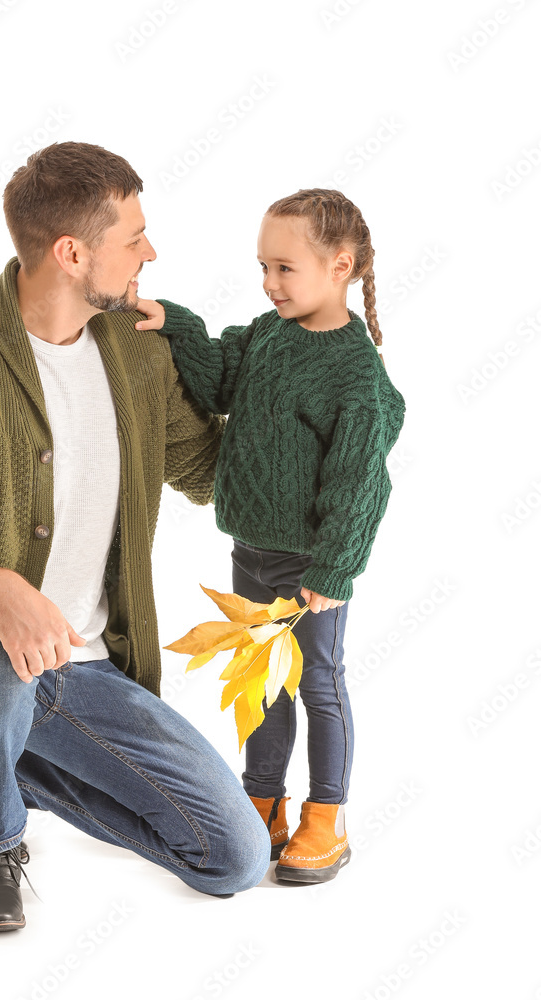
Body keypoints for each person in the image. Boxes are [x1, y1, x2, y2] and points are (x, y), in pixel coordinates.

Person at [0, 141, 271, 932]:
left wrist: (288, 370)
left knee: (236, 857)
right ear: (72, 252)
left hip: (78, 673)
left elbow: (214, 474)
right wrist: (0, 588)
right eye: (134, 236)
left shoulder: (139, 355)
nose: (151, 251)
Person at [134, 188, 406, 883]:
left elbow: (359, 485)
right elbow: (220, 379)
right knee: (259, 684)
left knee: (318, 682)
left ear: (340, 265)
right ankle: (262, 802)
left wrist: (333, 570)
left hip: (312, 569)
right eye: (263, 266)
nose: (269, 283)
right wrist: (176, 324)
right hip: (250, 551)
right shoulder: (265, 334)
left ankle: (327, 815)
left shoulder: (355, 376)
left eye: (285, 268)